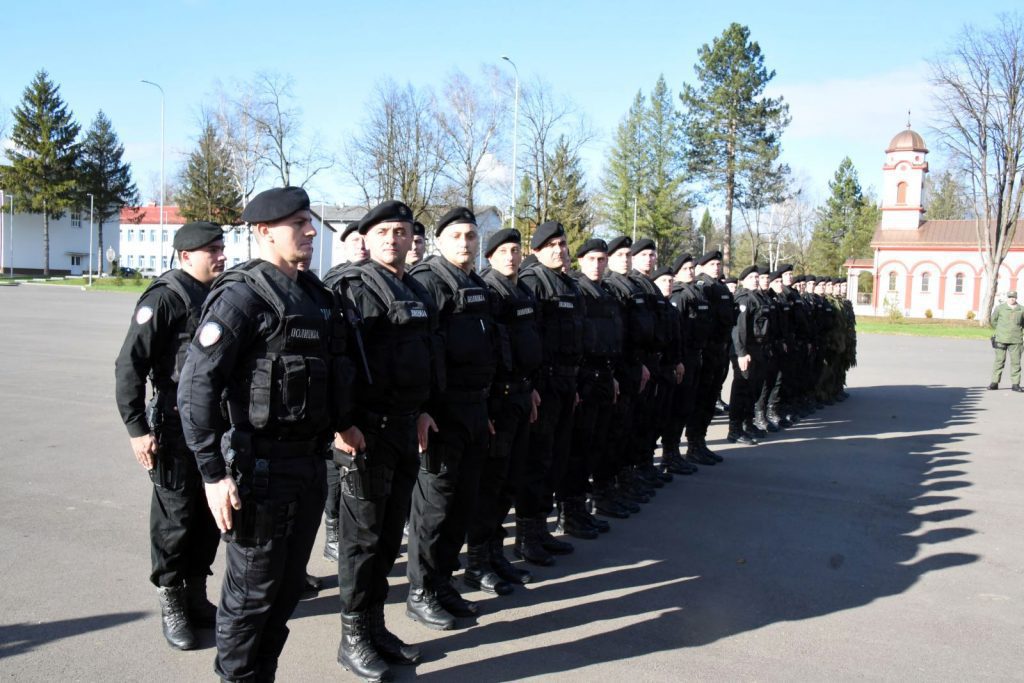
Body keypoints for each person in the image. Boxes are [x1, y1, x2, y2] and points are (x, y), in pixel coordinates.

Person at [178, 186, 355, 682]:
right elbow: (195, 387)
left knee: (285, 592)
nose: (311, 231)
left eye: (309, 221)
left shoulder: (316, 296)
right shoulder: (242, 296)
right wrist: (213, 474)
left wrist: (345, 423)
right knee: (250, 597)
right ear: (263, 232)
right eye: (298, 223)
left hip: (308, 467)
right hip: (260, 473)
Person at [328, 199, 438, 680]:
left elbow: (427, 355)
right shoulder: (349, 289)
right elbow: (334, 363)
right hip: (365, 433)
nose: (394, 239)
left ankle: (375, 627)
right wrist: (343, 425)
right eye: (384, 232)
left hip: (405, 426)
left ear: (412, 238)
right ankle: (353, 638)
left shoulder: (415, 289)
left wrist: (425, 410)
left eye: (401, 231)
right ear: (367, 240)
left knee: (390, 534)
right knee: (362, 541)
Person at [115, 221, 226, 651]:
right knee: (175, 518)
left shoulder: (218, 294)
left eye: (221, 247)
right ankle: (172, 600)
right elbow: (130, 365)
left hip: (213, 426)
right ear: (185, 256)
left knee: (208, 516)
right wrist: (136, 429)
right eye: (211, 250)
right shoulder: (164, 298)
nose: (221, 255)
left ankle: (196, 595)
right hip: (174, 426)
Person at [406, 207, 501, 622]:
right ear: (440, 241)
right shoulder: (428, 282)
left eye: (471, 236)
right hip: (443, 414)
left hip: (475, 409)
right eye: (457, 236)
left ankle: (442, 583)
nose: (465, 243)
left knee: (462, 504)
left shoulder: (476, 284)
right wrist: (423, 410)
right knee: (434, 510)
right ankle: (421, 591)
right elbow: (422, 353)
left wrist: (486, 408)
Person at [517, 221, 585, 565]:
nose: (559, 250)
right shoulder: (532, 282)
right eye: (551, 245)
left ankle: (541, 528)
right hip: (543, 385)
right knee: (537, 462)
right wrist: (530, 386)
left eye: (562, 244)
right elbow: (528, 340)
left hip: (566, 383)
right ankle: (526, 536)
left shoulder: (567, 284)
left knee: (556, 459)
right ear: (536, 251)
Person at [478, 228, 542, 584]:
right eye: (503, 251)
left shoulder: (523, 290)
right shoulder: (489, 291)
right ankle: (479, 560)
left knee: (510, 480)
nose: (511, 257)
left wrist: (530, 388)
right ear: (490, 257)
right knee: (492, 483)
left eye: (515, 250)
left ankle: (495, 553)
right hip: (498, 400)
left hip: (520, 394)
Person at [561, 238, 623, 537]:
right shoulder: (577, 291)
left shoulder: (606, 293)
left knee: (596, 444)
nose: (597, 265)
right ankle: (569, 512)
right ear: (580, 261)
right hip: (583, 377)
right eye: (591, 259)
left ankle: (586, 505)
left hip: (603, 375)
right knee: (577, 449)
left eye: (602, 259)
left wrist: (611, 375)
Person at [319, 219, 369, 565]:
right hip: (340, 386)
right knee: (336, 467)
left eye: (365, 240)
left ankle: (355, 531)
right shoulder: (334, 283)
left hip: (369, 389)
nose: (361, 246)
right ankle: (333, 531)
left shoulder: (381, 280)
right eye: (355, 241)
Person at [686, 251, 733, 464]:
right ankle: (693, 444)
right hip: (706, 350)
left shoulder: (720, 287)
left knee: (709, 399)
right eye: (712, 264)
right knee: (701, 399)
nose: (716, 267)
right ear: (702, 267)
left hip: (719, 349)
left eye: (718, 264)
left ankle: (700, 442)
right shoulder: (701, 287)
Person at [728, 265, 766, 444]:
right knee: (741, 389)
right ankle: (734, 429)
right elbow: (739, 329)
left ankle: (747, 423)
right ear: (742, 281)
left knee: (752, 389)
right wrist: (741, 353)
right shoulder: (743, 299)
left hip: (755, 349)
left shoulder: (756, 297)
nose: (756, 280)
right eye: (751, 277)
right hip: (744, 351)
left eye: (757, 277)